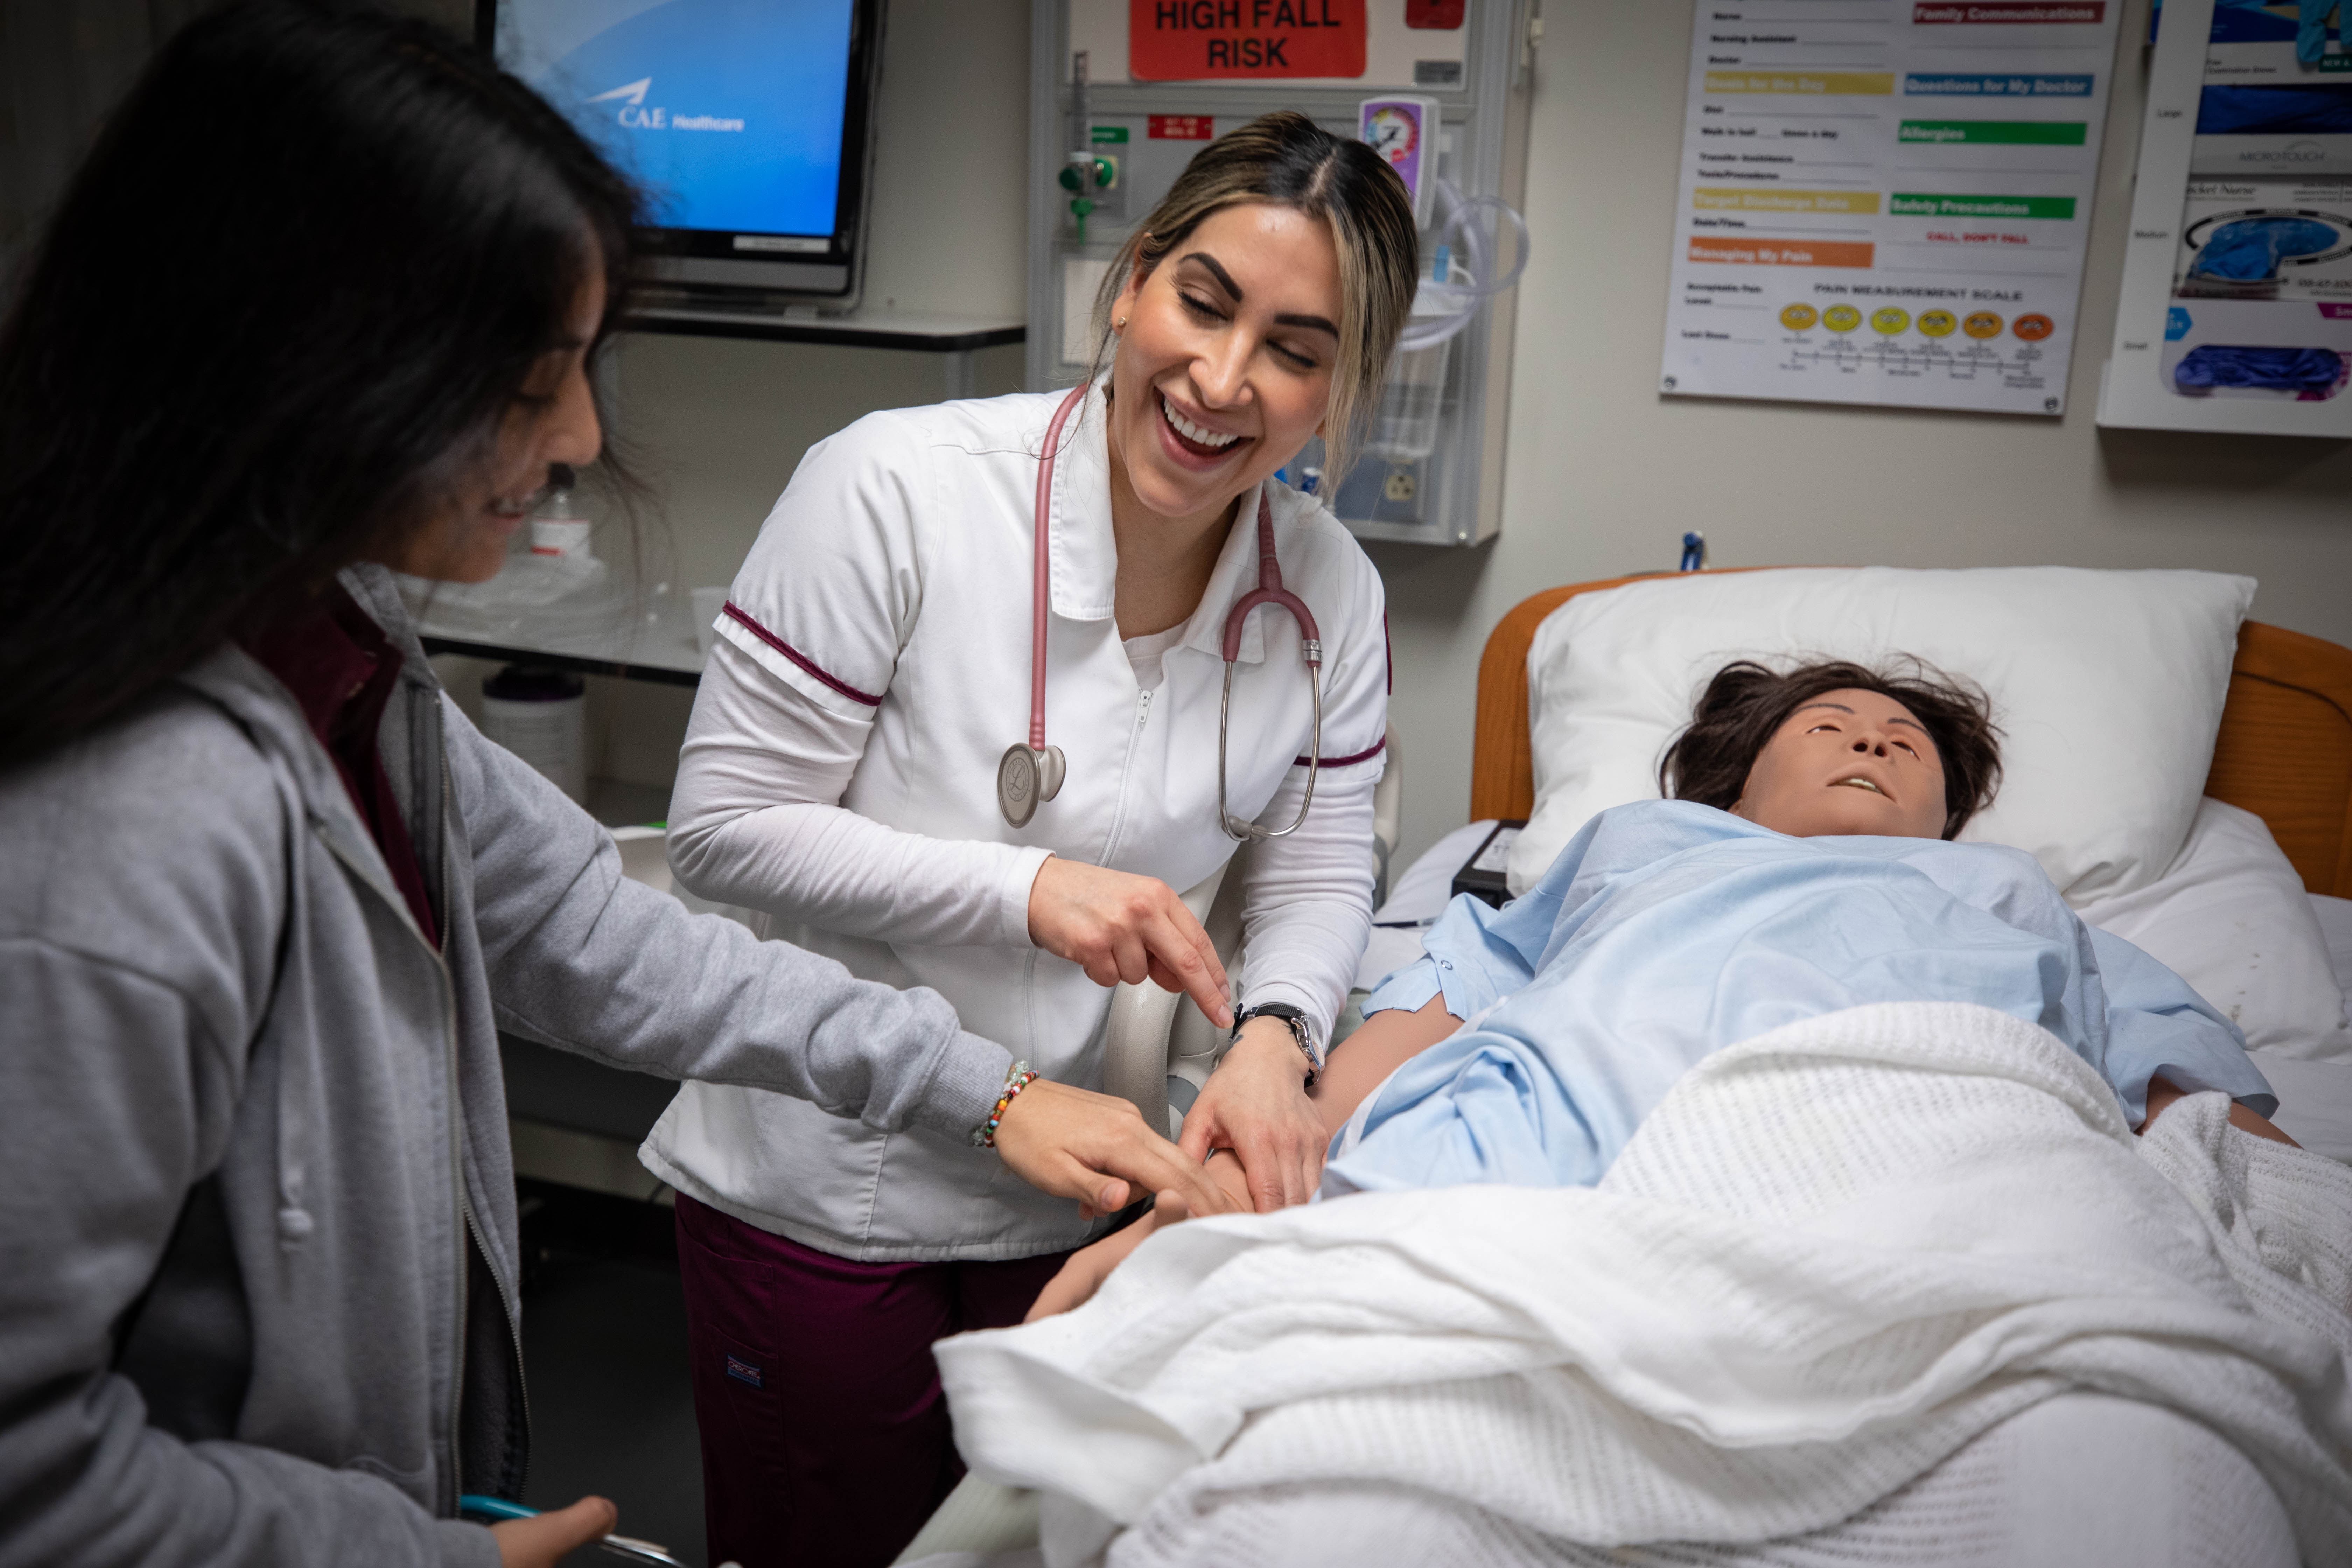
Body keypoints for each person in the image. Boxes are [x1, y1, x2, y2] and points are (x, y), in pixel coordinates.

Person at [0, 7, 1228, 1567]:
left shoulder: (335, 644)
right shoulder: (127, 825)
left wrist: (976, 1086)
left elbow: (598, 927)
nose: (580, 437)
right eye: (533, 379)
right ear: (315, 359)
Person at [651, 111, 1417, 1565]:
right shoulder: (894, 488)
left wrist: (1274, 1032)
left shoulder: (1326, 590)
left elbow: (1318, 863)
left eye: (1298, 349)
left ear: (1341, 389)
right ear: (1132, 281)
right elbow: (724, 830)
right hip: (829, 1168)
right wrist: (1029, 889)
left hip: (1078, 1175)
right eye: (1202, 301)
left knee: (1032, 1545)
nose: (1224, 378)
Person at [1029, 657, 2296, 1318]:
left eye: (1904, 744)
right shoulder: (1643, 849)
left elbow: (2193, 1103)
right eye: (1833, 727)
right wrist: (1253, 1191)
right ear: (1737, 786)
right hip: (1609, 1133)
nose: (1872, 740)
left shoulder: (2015, 899)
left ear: (1944, 820)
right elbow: (1452, 1003)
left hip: (1934, 1143)